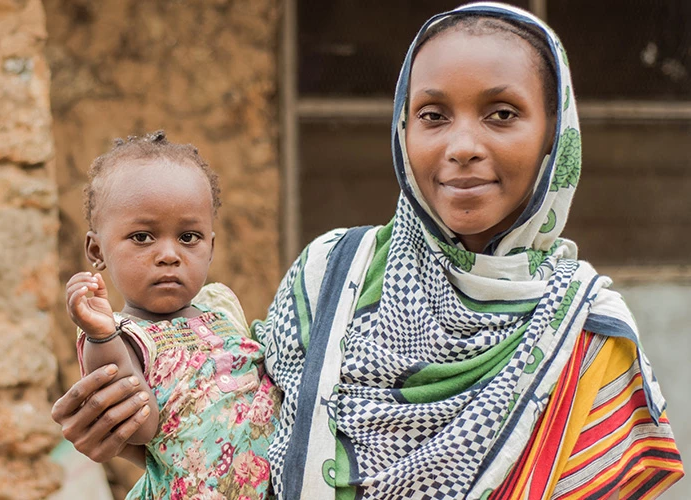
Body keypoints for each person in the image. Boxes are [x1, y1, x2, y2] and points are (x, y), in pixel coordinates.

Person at [51, 3, 684, 499]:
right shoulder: (332, 275)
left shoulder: (587, 334)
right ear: (402, 130)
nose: (462, 145)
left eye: (501, 114)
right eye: (434, 115)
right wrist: (129, 428)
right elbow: (245, 432)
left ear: (555, 133)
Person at [64, 131, 280, 498]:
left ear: (211, 247)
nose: (169, 254)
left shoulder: (222, 309)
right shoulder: (122, 336)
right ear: (97, 250)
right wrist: (101, 334)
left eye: (188, 237)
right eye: (143, 237)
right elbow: (139, 429)